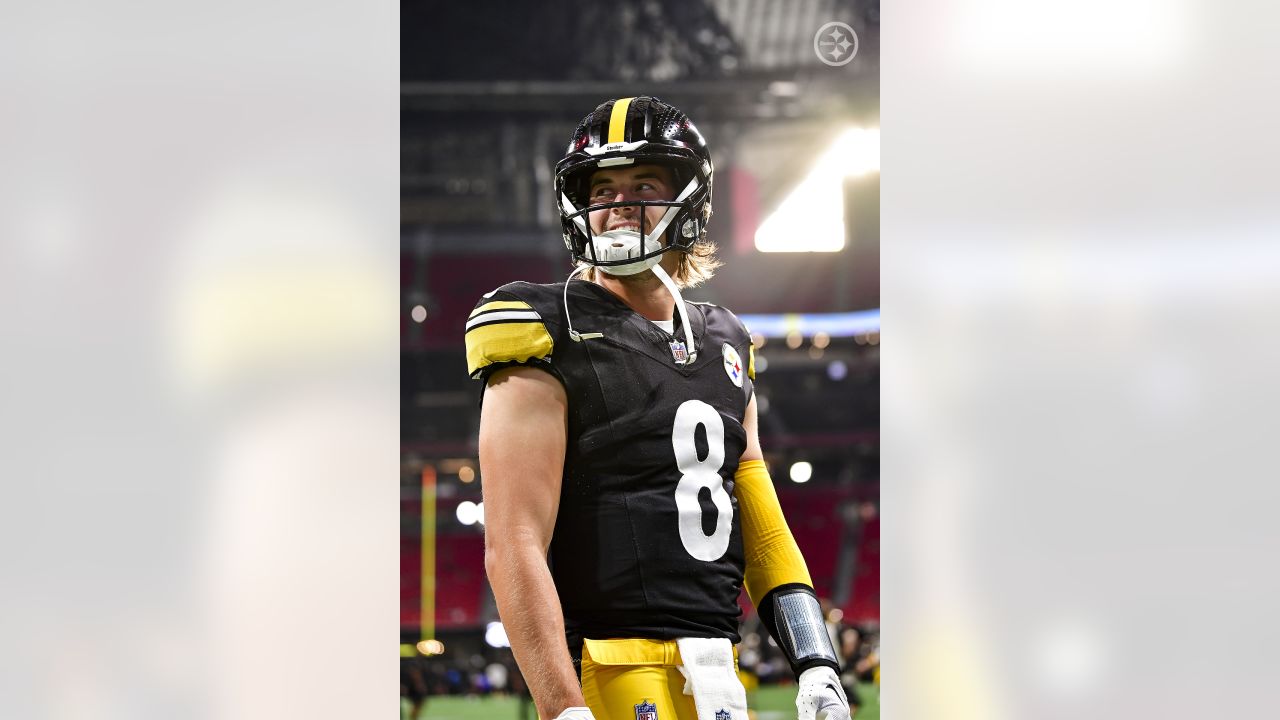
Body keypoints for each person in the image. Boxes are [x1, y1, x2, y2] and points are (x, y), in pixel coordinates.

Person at [467, 96, 849, 720]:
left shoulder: (724, 338)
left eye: (643, 183)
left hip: (717, 666)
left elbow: (759, 517)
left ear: (689, 200)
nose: (618, 203)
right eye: (603, 188)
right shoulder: (541, 322)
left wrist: (816, 663)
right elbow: (513, 540)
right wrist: (563, 708)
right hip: (609, 662)